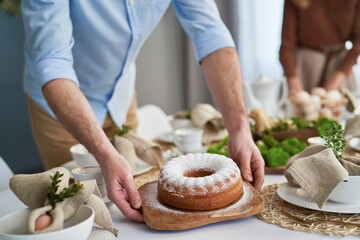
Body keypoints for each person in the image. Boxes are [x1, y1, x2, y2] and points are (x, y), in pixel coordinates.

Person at [21, 1, 264, 222]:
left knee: (125, 204)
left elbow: (210, 32)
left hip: (120, 97)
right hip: (61, 107)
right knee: (80, 213)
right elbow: (52, 60)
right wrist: (104, 153)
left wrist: (239, 128)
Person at [280, 0, 360, 94]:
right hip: (303, 70)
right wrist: (292, 78)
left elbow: (358, 41)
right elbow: (286, 45)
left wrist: (338, 77)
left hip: (340, 68)